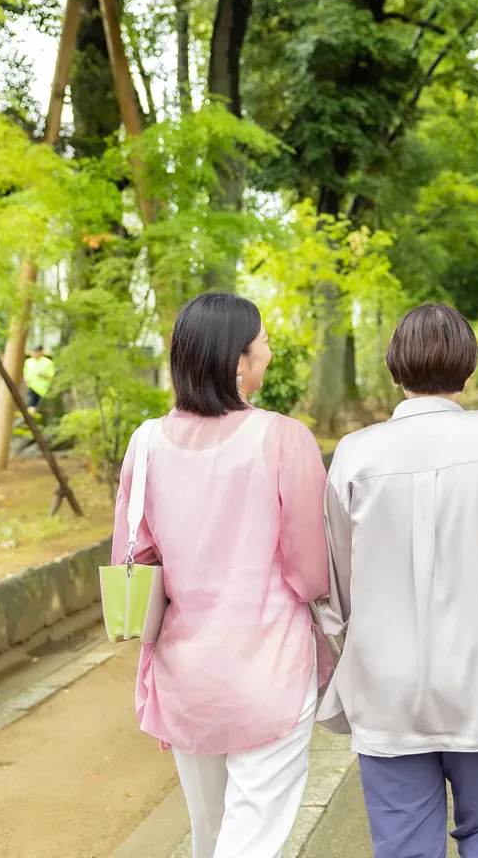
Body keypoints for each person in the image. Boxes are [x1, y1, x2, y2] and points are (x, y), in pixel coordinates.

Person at [317, 302, 478, 858]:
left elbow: (335, 582)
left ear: (395, 366)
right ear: (470, 363)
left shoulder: (355, 456)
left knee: (403, 842)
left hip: (385, 682)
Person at [110, 292, 328, 858]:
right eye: (262, 343)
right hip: (268, 666)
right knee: (252, 835)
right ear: (237, 361)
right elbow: (310, 573)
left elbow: (132, 558)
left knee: (210, 833)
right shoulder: (285, 438)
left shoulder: (146, 443)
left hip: (185, 671)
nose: (270, 351)